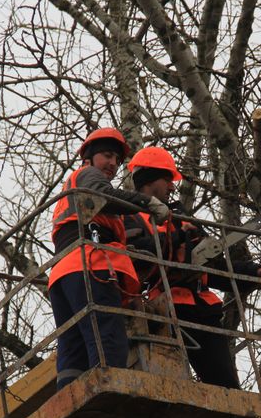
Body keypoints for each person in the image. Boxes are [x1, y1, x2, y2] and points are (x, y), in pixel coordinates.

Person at [123, 146, 261, 390]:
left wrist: (251, 273)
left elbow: (211, 263)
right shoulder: (131, 216)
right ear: (150, 180)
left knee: (226, 388)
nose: (172, 187)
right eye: (167, 179)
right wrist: (177, 238)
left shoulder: (181, 216)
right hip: (165, 312)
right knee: (168, 388)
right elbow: (136, 256)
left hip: (205, 309)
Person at [48, 128, 171, 390]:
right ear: (89, 159)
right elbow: (103, 196)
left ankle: (69, 403)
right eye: (106, 156)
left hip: (63, 273)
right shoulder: (88, 175)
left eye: (116, 159)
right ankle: (110, 394)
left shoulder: (74, 188)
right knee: (109, 340)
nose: (113, 164)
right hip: (91, 265)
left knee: (74, 349)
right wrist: (147, 202)